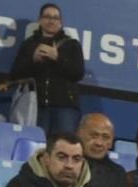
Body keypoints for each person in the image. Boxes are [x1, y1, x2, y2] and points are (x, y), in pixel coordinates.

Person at [9, 3, 83, 140]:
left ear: (60, 22)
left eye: (55, 18)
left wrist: (57, 58)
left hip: (65, 108)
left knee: (65, 144)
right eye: (47, 17)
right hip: (37, 106)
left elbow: (78, 73)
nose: (51, 21)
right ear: (40, 20)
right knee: (36, 145)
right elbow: (15, 74)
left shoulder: (72, 44)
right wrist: (33, 59)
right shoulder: (29, 44)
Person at [76, 113, 135, 187]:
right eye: (93, 135)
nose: (99, 143)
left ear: (111, 142)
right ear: (79, 134)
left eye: (105, 137)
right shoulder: (69, 165)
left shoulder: (117, 172)